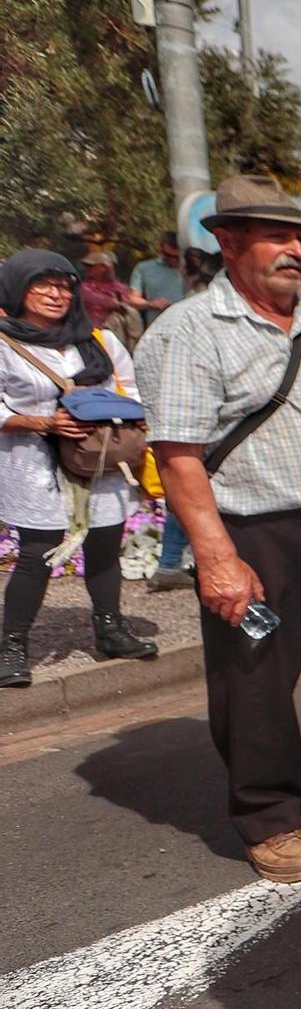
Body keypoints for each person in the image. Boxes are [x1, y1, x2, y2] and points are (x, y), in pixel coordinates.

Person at [134, 175, 301, 885]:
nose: (296, 251)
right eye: (278, 236)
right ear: (229, 242)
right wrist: (217, 559)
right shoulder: (188, 332)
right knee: (257, 686)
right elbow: (179, 459)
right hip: (255, 533)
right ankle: (270, 818)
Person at [0, 250, 157, 685]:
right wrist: (40, 421)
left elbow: (132, 387)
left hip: (98, 457)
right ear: (17, 288)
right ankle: (12, 648)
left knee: (105, 547)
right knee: (37, 553)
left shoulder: (100, 340)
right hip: (33, 462)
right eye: (43, 284)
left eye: (65, 285)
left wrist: (133, 412)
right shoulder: (4, 343)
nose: (57, 294)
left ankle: (110, 631)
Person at [76, 252, 147, 353]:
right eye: (87, 266)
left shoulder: (119, 287)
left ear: (104, 268)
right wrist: (111, 303)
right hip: (93, 334)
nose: (87, 269)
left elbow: (130, 301)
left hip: (117, 335)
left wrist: (149, 304)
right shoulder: (84, 287)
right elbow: (94, 298)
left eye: (91, 266)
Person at [130, 231, 186, 322]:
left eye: (177, 257)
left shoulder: (193, 269)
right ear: (160, 247)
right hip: (157, 329)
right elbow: (132, 300)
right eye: (168, 255)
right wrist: (151, 304)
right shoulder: (144, 268)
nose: (173, 260)